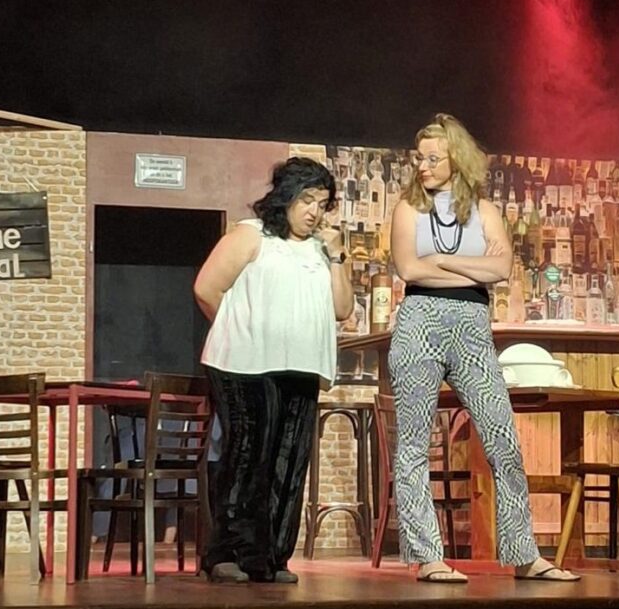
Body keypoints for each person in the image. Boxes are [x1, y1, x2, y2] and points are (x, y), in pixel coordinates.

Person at [387, 113, 579, 583]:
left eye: (433, 158)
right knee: (413, 444)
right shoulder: (408, 209)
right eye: (419, 158)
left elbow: (500, 270)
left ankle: (524, 554)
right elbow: (410, 269)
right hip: (420, 320)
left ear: (457, 159)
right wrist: (468, 265)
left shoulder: (485, 212)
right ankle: (428, 556)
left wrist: (442, 258)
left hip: (473, 326)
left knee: (503, 439)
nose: (423, 166)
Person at [193, 157, 353, 583]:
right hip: (244, 365)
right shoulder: (251, 235)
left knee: (288, 461)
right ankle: (226, 552)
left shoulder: (322, 250)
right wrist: (240, 330)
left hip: (301, 366)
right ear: (286, 197)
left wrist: (338, 256)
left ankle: (270, 557)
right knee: (247, 455)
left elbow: (342, 309)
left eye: (322, 202)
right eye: (307, 199)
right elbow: (207, 288)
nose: (314, 211)